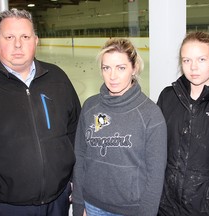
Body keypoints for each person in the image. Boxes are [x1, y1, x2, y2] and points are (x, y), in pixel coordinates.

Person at [0, 8, 81, 216]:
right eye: (9, 36)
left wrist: (78, 186)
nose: (18, 44)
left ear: (36, 40)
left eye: (25, 36)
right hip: (6, 208)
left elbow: (76, 134)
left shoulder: (58, 78)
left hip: (59, 203)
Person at [72, 38, 167, 216]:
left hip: (130, 211)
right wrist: (79, 204)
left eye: (121, 68)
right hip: (91, 206)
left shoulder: (150, 114)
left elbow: (155, 177)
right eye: (106, 68)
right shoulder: (90, 107)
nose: (112, 76)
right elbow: (80, 158)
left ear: (134, 69)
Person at [157, 31, 209, 216]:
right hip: (165, 207)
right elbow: (155, 149)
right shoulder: (168, 97)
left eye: (201, 59)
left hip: (206, 209)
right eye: (186, 60)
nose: (193, 67)